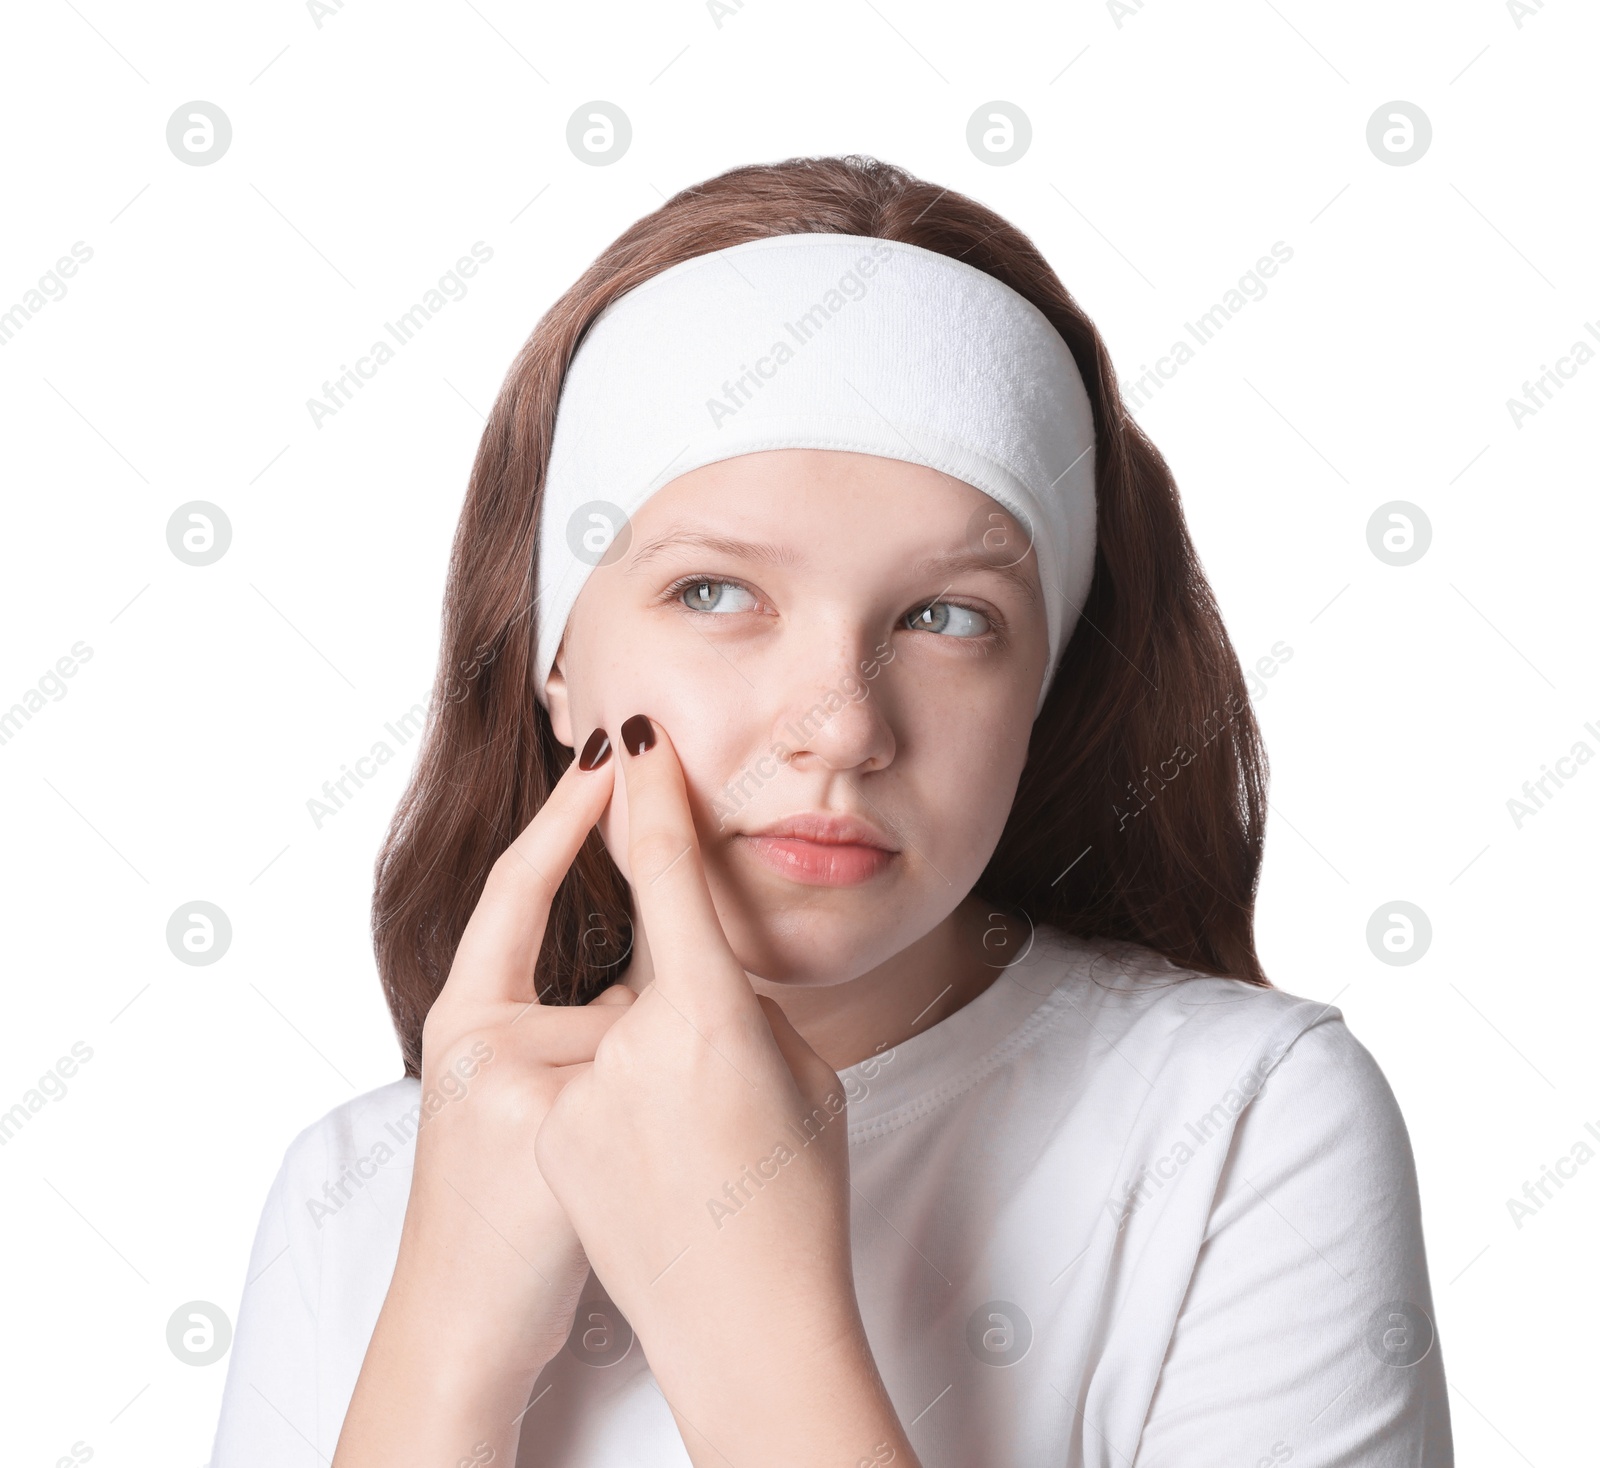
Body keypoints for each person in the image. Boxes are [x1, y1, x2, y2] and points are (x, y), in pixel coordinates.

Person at [209, 155, 1452, 1468]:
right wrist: (447, 1341)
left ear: (1044, 688)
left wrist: (743, 1317)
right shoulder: (355, 1189)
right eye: (713, 593)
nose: (844, 725)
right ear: (558, 663)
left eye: (949, 617)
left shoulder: (1244, 1122)